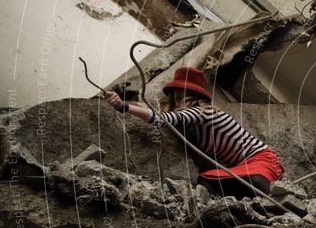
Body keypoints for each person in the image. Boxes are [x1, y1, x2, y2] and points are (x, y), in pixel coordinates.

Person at [103, 67, 284, 199]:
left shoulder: (203, 111)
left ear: (196, 95)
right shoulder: (189, 123)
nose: (178, 96)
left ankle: (278, 205)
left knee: (256, 180)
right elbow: (167, 117)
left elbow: (160, 119)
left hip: (262, 160)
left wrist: (124, 106)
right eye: (176, 92)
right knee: (207, 181)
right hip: (240, 168)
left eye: (185, 92)